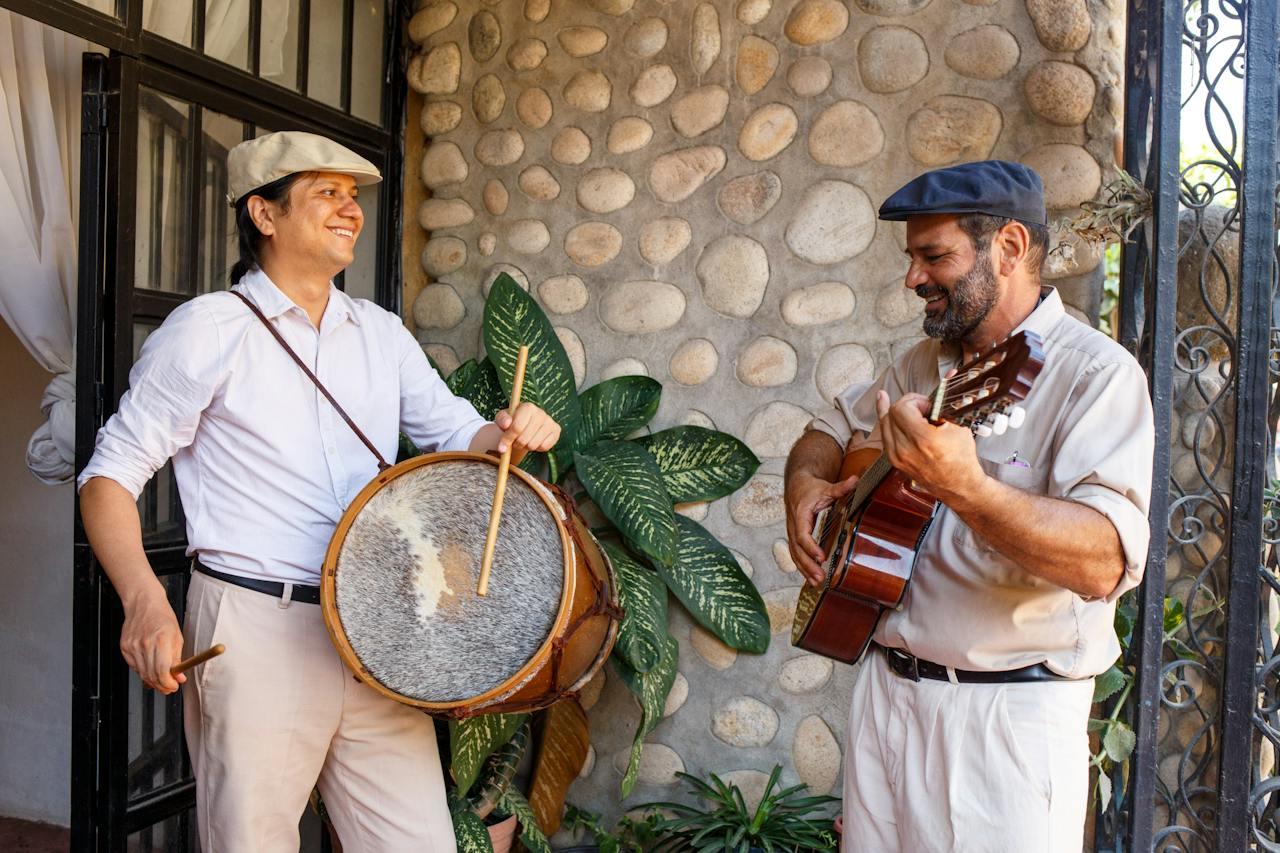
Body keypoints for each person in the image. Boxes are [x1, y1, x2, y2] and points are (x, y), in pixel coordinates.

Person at [77, 130, 561, 852]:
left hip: (374, 630)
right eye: (325, 192)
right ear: (263, 215)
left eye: (353, 195)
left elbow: (459, 435)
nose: (350, 209)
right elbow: (109, 476)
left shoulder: (379, 332)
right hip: (253, 626)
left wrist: (515, 430)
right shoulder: (209, 331)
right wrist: (145, 600)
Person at [783, 160, 1154, 852]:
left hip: (1006, 721)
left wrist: (969, 488)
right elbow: (828, 434)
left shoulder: (1097, 376)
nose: (913, 278)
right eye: (912, 258)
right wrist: (805, 486)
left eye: (934, 255)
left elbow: (1105, 559)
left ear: (1008, 248)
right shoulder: (925, 364)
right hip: (886, 699)